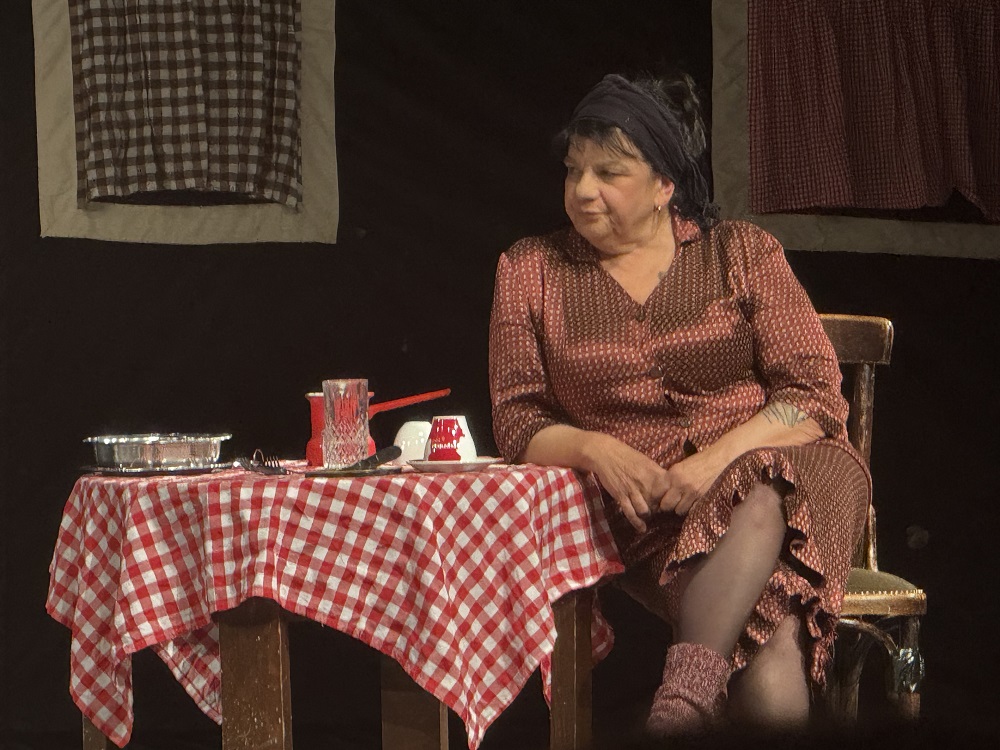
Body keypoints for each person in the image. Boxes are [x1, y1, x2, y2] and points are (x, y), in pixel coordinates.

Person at [488, 72, 869, 736]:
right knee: (770, 640)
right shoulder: (531, 269)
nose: (582, 189)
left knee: (761, 488)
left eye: (609, 172)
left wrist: (715, 464)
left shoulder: (741, 253)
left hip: (798, 484)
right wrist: (596, 449)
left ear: (665, 184)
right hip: (657, 519)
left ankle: (677, 709)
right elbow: (518, 419)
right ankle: (687, 703)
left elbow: (813, 398)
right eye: (574, 170)